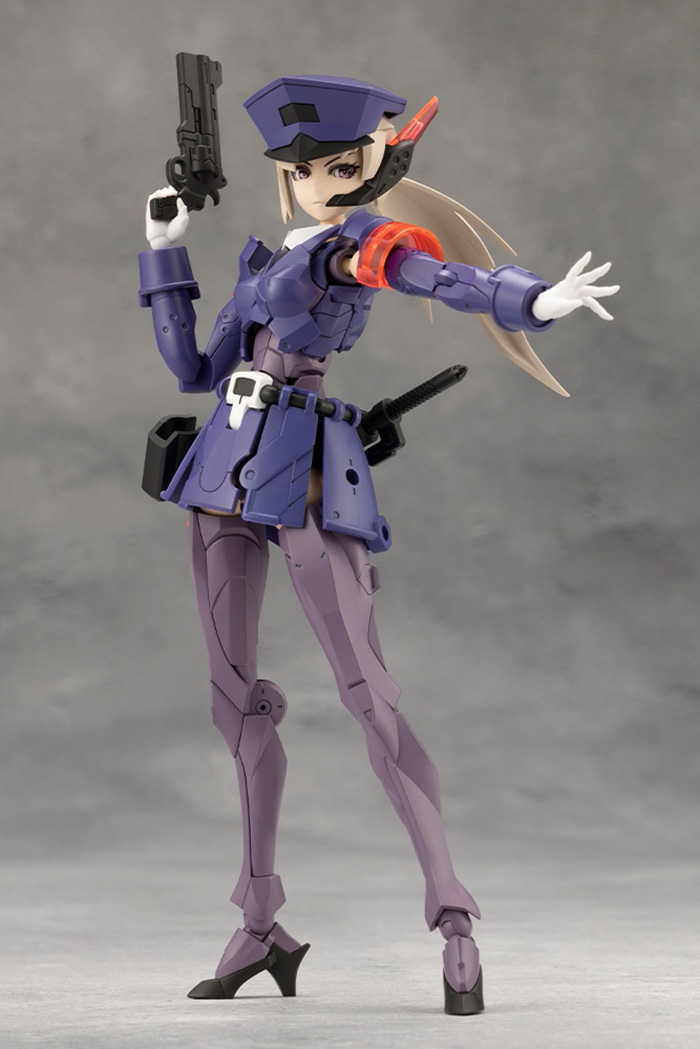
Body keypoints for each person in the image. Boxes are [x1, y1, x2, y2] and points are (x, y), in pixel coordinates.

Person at [139, 74, 618, 1015]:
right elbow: (193, 366)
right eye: (302, 168)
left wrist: (529, 301)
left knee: (368, 693)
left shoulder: (360, 246)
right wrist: (163, 249)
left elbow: (434, 276)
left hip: (306, 473)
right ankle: (259, 920)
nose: (318, 181)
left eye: (339, 165)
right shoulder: (267, 258)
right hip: (223, 471)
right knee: (235, 700)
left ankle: (454, 917)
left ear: (375, 164)